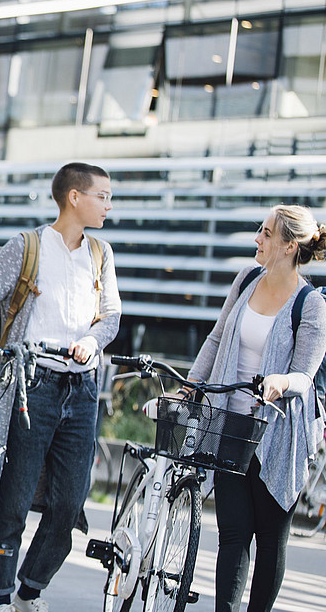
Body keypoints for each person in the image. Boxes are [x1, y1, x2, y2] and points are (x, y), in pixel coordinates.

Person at [0, 162, 121, 612]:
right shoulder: (28, 246)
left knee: (70, 505)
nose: (109, 204)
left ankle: (29, 590)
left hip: (82, 388)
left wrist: (91, 343)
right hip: (30, 383)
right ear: (75, 196)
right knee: (13, 499)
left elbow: (110, 316)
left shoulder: (100, 253)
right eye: (103, 195)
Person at [186, 204, 326, 612]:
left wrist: (282, 382)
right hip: (231, 425)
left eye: (266, 233)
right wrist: (191, 387)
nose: (257, 239)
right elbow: (215, 340)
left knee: (269, 540)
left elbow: (305, 374)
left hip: (279, 434)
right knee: (232, 534)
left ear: (288, 246)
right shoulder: (246, 279)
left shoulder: (311, 304)